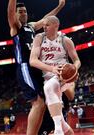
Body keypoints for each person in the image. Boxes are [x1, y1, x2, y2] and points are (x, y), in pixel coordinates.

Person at [7, 0, 65, 134]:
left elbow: (46, 19)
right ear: (15, 15)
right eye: (20, 12)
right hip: (25, 67)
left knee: (43, 104)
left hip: (36, 67)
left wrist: (60, 6)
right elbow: (10, 12)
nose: (23, 14)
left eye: (25, 11)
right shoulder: (15, 27)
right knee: (38, 103)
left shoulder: (31, 26)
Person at [30, 16, 81, 135]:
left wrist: (74, 69)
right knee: (61, 121)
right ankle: (62, 129)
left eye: (47, 25)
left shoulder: (66, 40)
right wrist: (52, 69)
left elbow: (77, 60)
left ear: (56, 26)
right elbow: (33, 61)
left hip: (64, 76)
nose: (44, 27)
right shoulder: (39, 38)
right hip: (49, 76)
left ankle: (58, 130)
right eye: (44, 25)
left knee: (48, 88)